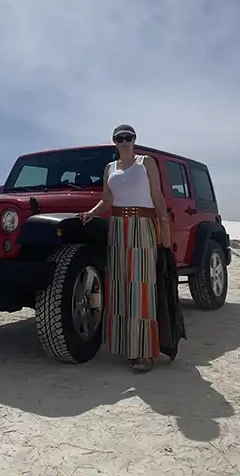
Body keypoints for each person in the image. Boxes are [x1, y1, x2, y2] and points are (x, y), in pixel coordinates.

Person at [79, 123, 172, 372]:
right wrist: (90, 213)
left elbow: (157, 195)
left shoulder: (146, 163)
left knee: (141, 286)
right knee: (120, 285)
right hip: (118, 227)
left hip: (142, 225)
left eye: (128, 137)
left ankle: (144, 353)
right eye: (119, 138)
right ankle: (126, 347)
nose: (124, 142)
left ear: (134, 139)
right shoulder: (110, 168)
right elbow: (107, 200)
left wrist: (164, 225)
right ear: (114, 142)